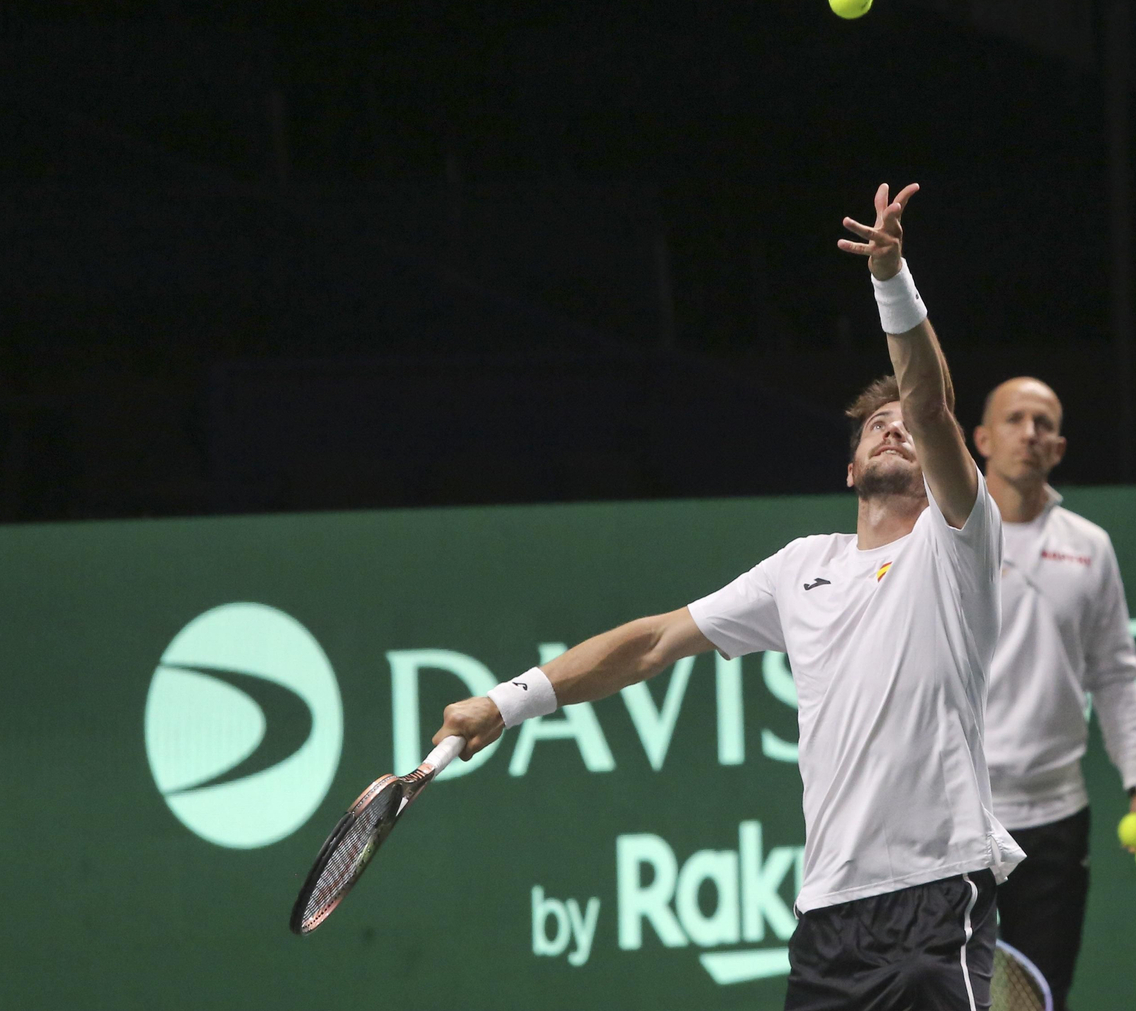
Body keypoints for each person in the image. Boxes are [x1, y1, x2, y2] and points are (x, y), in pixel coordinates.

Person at [435, 183, 1021, 1011]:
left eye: (909, 426)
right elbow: (651, 643)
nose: (895, 427)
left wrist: (892, 280)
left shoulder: (958, 543)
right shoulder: (799, 568)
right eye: (872, 425)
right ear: (850, 468)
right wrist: (504, 703)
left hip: (935, 894)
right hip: (827, 919)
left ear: (938, 455)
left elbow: (929, 401)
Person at [972, 377, 1136, 1011]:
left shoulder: (1090, 548)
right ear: (981, 440)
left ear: (1058, 447)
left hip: (1055, 820)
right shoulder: (945, 540)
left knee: (1039, 1000)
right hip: (958, 817)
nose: (1030, 431)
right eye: (1015, 419)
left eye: (1044, 422)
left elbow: (1113, 675)